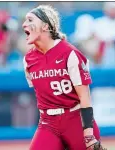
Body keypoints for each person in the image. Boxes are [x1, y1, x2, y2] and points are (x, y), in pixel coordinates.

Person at [22, 5, 106, 150]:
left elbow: (85, 97)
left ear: (45, 26)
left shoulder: (70, 53)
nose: (24, 24)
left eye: (30, 20)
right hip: (48, 122)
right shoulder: (28, 59)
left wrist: (88, 133)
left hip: (75, 120)